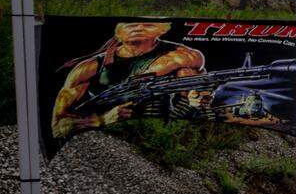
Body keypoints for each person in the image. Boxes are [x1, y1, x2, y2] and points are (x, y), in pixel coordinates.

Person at [51, 21, 209, 138]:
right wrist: (101, 120)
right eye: (130, 24)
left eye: (148, 24)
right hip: (108, 140)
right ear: (118, 32)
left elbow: (197, 91)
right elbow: (58, 128)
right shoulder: (89, 68)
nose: (139, 27)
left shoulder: (184, 57)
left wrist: (195, 99)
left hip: (161, 137)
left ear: (163, 29)